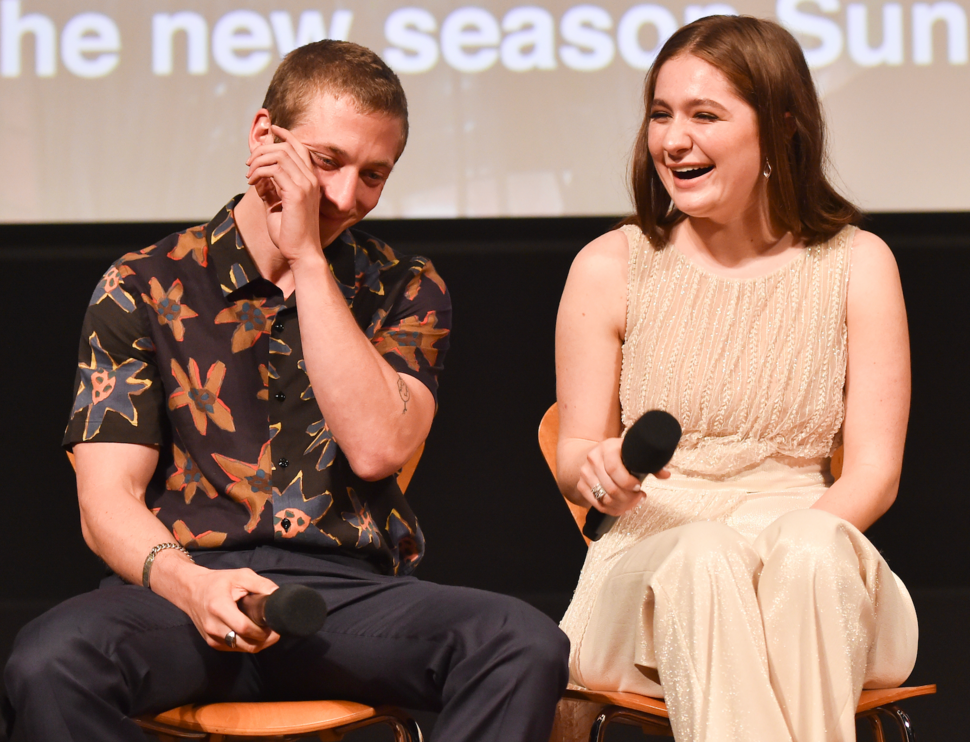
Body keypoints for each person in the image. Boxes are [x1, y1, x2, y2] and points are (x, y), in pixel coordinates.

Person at [2, 40, 569, 742]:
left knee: (522, 643)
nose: (344, 196)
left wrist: (307, 258)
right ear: (264, 137)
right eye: (327, 162)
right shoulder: (143, 284)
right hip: (184, 590)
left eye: (374, 175)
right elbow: (104, 502)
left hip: (348, 600)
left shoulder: (405, 288)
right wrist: (193, 585)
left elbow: (375, 450)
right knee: (49, 660)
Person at [552, 15, 917, 742]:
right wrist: (597, 475)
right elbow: (574, 458)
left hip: (808, 565)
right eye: (661, 114)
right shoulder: (609, 265)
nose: (672, 139)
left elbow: (874, 474)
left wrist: (782, 548)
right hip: (650, 567)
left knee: (809, 553)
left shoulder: (859, 263)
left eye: (703, 115)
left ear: (780, 127)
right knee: (705, 556)